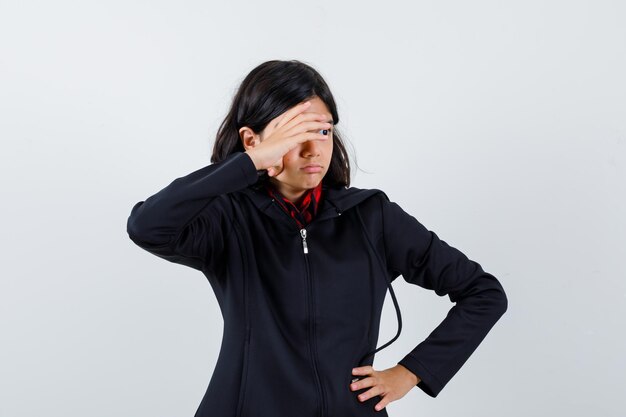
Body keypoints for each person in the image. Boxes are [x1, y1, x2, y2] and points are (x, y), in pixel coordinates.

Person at [126, 59, 508, 417]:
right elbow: (147, 226)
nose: (313, 149)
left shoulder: (371, 216)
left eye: (323, 131)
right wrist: (249, 164)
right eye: (293, 134)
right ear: (252, 140)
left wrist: (411, 372)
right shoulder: (226, 218)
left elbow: (483, 292)